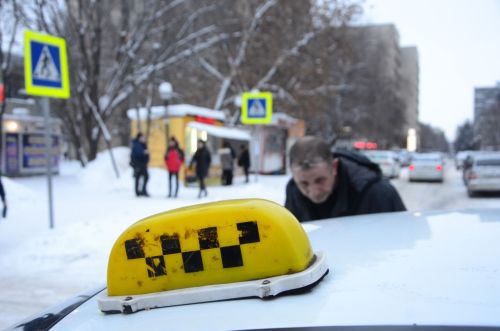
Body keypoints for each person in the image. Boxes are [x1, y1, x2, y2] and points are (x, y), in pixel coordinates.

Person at [285, 136, 406, 222]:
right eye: (304, 183)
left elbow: (402, 239)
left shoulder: (378, 193)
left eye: (320, 180)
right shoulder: (293, 190)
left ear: (334, 167)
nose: (314, 192)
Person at [130, 132, 150, 197]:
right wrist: (144, 152)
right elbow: (137, 153)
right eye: (142, 137)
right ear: (139, 137)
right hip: (137, 164)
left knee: (146, 177)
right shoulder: (136, 144)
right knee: (138, 178)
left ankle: (143, 190)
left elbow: (147, 154)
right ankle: (138, 192)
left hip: (143, 164)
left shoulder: (143, 144)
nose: (143, 138)